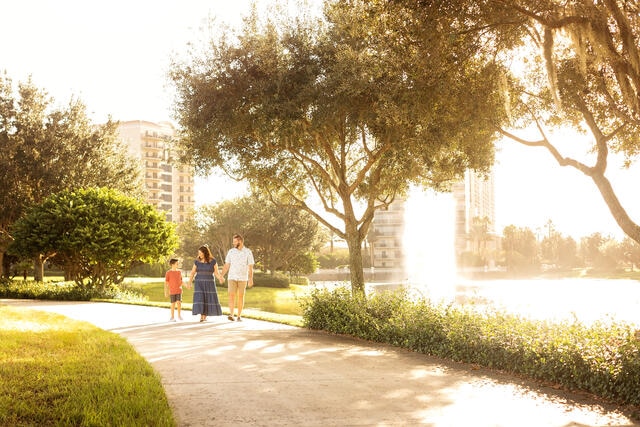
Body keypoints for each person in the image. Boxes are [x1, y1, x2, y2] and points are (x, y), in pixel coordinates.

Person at [220, 234, 254, 322]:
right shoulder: (231, 252)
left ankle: (239, 316)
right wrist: (221, 275)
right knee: (231, 295)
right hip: (232, 277)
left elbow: (250, 267)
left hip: (243, 278)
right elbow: (227, 265)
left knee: (241, 296)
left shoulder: (248, 252)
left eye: (235, 241)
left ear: (240, 241)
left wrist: (250, 279)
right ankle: (231, 314)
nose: (233, 243)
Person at [187, 245, 225, 322]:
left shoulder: (213, 261)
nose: (199, 255)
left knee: (207, 298)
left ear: (205, 253)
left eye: (200, 253)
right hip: (199, 283)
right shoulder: (197, 261)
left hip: (209, 283)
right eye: (199, 253)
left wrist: (220, 278)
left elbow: (216, 273)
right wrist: (189, 283)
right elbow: (192, 272)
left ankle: (205, 315)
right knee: (200, 298)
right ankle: (202, 316)